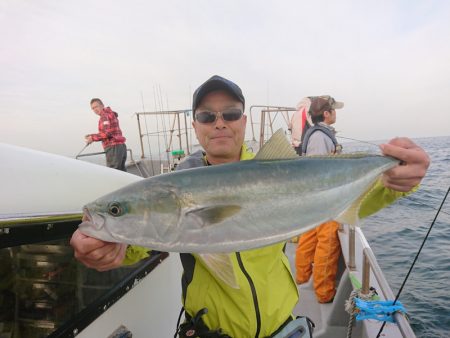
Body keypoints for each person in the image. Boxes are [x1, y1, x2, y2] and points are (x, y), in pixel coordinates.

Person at [70, 76, 430, 338]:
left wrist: (398, 182)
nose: (220, 122)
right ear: (195, 126)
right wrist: (108, 244)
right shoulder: (177, 184)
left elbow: (350, 200)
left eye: (230, 113)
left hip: (284, 328)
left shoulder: (274, 168)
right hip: (211, 331)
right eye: (207, 116)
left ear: (243, 120)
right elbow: (143, 237)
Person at [295, 95, 344, 303]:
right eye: (334, 110)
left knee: (309, 237)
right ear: (326, 113)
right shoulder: (319, 137)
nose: (336, 113)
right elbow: (317, 172)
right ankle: (324, 293)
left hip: (314, 200)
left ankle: (301, 277)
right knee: (327, 243)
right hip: (324, 202)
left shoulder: (317, 134)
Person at [85, 98, 127, 171]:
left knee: (113, 172)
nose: (95, 110)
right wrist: (92, 135)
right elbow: (108, 131)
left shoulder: (104, 116)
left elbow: (107, 133)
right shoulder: (110, 114)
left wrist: (92, 138)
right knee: (122, 172)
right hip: (121, 146)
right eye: (93, 108)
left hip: (113, 148)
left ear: (102, 105)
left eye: (96, 107)